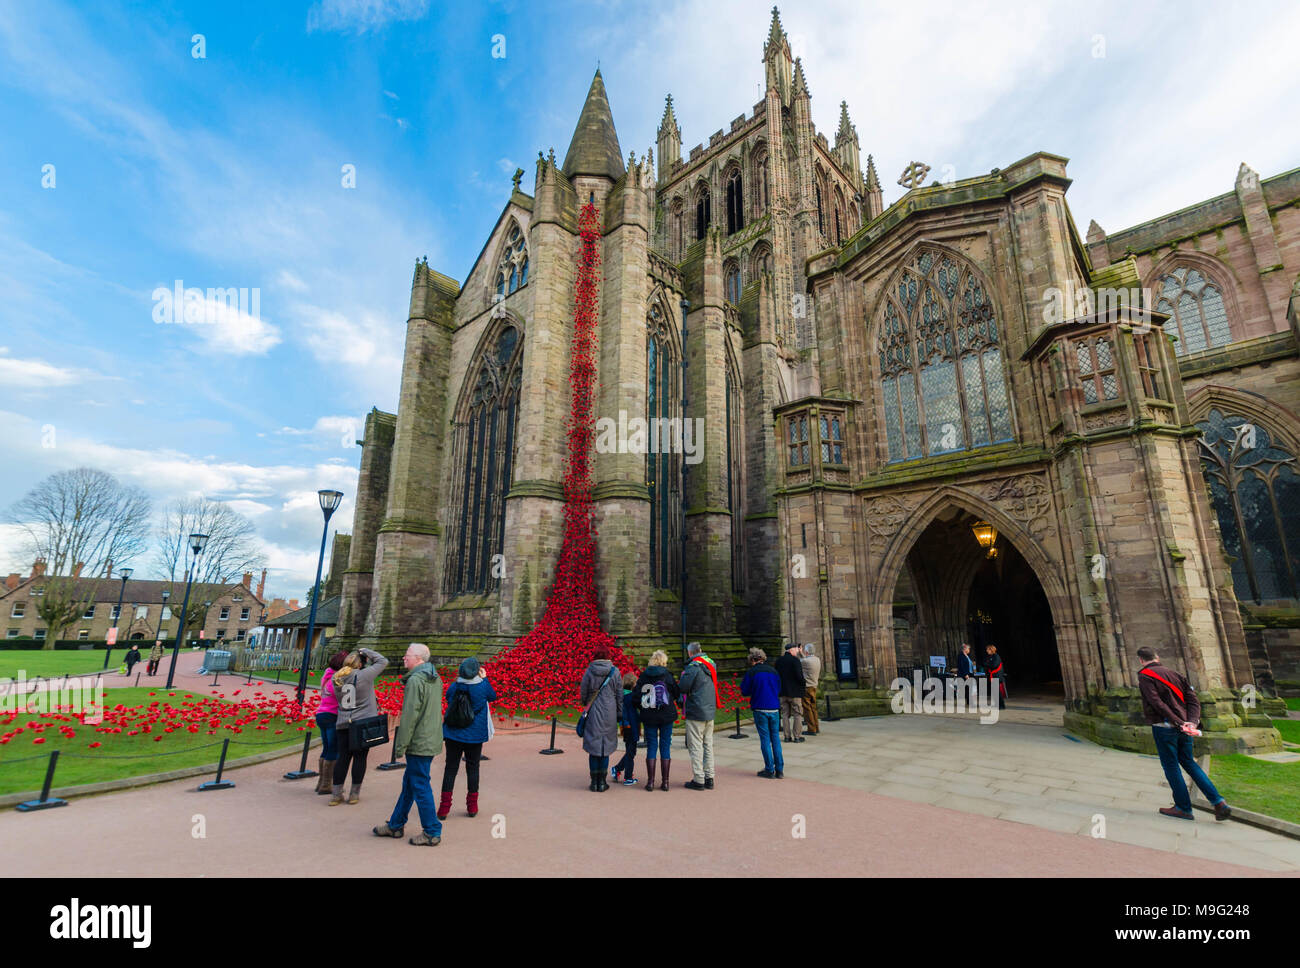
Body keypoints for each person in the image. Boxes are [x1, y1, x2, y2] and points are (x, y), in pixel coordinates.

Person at [1136, 646, 1232, 822]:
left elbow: (1157, 703)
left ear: (1141, 660)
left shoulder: (1145, 676)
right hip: (1186, 726)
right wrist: (1192, 722)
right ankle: (1219, 802)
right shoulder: (1176, 674)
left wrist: (1178, 722)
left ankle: (1183, 808)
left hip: (1165, 727)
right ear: (1156, 657)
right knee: (1189, 762)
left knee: (1171, 766)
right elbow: (1193, 699)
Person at [373, 643, 444, 846]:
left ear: (419, 659)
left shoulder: (416, 680)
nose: (404, 658)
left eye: (407, 655)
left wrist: (400, 746)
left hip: (419, 741)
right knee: (411, 784)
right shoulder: (435, 677)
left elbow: (410, 717)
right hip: (429, 737)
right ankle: (396, 824)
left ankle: (432, 831)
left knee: (419, 784)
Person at [439, 657, 497, 819]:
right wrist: (485, 679)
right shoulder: (482, 686)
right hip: (474, 734)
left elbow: (448, 697)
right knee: (473, 768)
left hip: (454, 733)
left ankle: (444, 808)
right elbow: (492, 697)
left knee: (450, 769)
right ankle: (472, 806)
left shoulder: (455, 685)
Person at [330, 646, 389, 805]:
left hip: (343, 722)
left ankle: (336, 795)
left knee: (342, 758)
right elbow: (383, 661)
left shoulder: (336, 678)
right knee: (360, 759)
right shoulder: (364, 675)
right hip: (362, 724)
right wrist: (366, 651)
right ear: (360, 664)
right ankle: (354, 794)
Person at [633, 649, 680, 791]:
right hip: (667, 715)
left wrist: (643, 707)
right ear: (663, 662)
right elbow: (677, 693)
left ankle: (650, 782)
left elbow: (636, 697)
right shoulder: (668, 675)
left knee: (652, 746)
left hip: (649, 716)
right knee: (665, 746)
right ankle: (665, 782)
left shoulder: (644, 676)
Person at [579, 646, 622, 792]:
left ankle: (594, 782)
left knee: (594, 747)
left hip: (593, 711)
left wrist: (586, 703)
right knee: (605, 747)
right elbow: (619, 694)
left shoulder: (589, 671)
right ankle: (602, 782)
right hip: (609, 712)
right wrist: (619, 713)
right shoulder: (615, 672)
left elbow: (583, 691)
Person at [678, 641, 719, 790]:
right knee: (708, 745)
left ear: (690, 653)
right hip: (709, 709)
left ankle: (699, 779)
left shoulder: (694, 667)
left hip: (696, 710)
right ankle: (709, 777)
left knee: (695, 746)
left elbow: (683, 686)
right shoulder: (711, 664)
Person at [740, 647, 784, 778]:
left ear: (753, 659)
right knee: (775, 738)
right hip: (774, 708)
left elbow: (744, 691)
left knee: (765, 739)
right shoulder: (774, 671)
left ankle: (769, 769)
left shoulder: (752, 672)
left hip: (760, 707)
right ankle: (780, 769)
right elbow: (779, 688)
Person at [313, 650, 346, 795]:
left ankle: (321, 782)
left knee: (327, 748)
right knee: (333, 750)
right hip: (332, 715)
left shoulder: (327, 675)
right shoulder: (337, 679)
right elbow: (343, 700)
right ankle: (327, 785)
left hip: (321, 714)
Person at [612, 672, 640, 786]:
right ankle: (628, 776)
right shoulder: (631, 697)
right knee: (631, 752)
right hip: (631, 726)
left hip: (625, 726)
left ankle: (618, 768)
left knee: (630, 751)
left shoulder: (621, 696)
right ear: (633, 684)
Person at [775, 643, 805, 742]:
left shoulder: (779, 661)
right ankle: (797, 736)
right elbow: (799, 676)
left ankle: (787, 737)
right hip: (794, 692)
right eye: (796, 649)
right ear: (791, 650)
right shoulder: (795, 661)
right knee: (797, 713)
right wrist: (803, 683)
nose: (797, 651)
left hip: (782, 692)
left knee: (785, 714)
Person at [800, 642, 821, 736]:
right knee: (813, 707)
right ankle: (816, 727)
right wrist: (802, 652)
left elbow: (801, 661)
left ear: (807, 652)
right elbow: (805, 658)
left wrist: (800, 653)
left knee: (807, 708)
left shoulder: (805, 661)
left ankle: (811, 729)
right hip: (814, 686)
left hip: (807, 687)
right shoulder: (817, 659)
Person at [982, 644, 1006, 710]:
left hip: (996, 676)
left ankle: (1001, 705)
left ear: (991, 650)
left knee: (997, 692)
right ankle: (996, 704)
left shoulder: (996, 656)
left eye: (988, 649)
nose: (986, 651)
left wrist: (987, 664)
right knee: (994, 692)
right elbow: (984, 663)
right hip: (992, 676)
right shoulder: (989, 656)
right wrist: (987, 664)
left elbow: (994, 665)